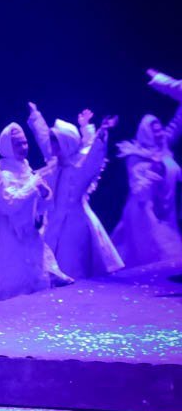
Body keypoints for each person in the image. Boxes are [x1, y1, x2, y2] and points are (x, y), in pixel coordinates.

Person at [0, 123, 72, 305]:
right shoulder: (1, 171)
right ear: (8, 146)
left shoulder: (25, 167)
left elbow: (39, 204)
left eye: (25, 143)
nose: (24, 147)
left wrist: (45, 194)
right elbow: (10, 203)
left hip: (28, 230)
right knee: (12, 273)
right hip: (10, 232)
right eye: (18, 144)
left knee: (36, 270)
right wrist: (32, 186)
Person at [26, 103, 123, 278]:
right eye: (52, 140)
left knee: (72, 268)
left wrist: (102, 131)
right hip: (53, 224)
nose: (51, 143)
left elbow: (94, 155)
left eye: (55, 140)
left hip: (75, 226)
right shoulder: (54, 166)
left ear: (65, 143)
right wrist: (36, 115)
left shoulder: (79, 169)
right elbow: (43, 138)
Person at [110, 70, 182, 265]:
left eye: (160, 130)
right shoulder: (136, 156)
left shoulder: (164, 148)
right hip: (145, 215)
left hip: (166, 210)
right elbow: (138, 189)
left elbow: (177, 122)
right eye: (155, 131)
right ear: (146, 133)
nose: (159, 134)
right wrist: (152, 171)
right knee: (155, 259)